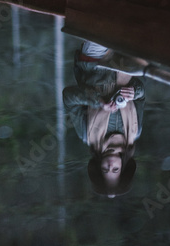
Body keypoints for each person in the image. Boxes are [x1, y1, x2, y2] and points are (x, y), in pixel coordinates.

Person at [62, 40, 146, 198]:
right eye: (115, 169)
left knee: (103, 28)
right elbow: (141, 96)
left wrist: (97, 101)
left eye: (105, 169)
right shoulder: (135, 131)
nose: (110, 165)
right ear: (123, 165)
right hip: (128, 62)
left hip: (95, 63)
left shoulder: (87, 134)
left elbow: (68, 97)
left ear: (99, 166)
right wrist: (135, 92)